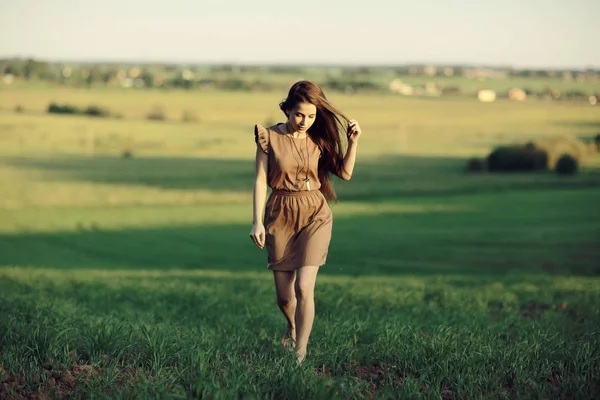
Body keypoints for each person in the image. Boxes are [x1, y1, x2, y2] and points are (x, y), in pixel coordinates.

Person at [249, 80, 362, 364]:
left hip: (315, 213)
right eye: (299, 114)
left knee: (304, 288)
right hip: (280, 212)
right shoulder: (268, 137)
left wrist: (353, 143)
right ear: (287, 109)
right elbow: (261, 179)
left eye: (311, 116)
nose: (304, 121)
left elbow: (345, 174)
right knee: (285, 298)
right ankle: (292, 324)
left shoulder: (318, 139)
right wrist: (256, 221)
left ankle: (300, 352)